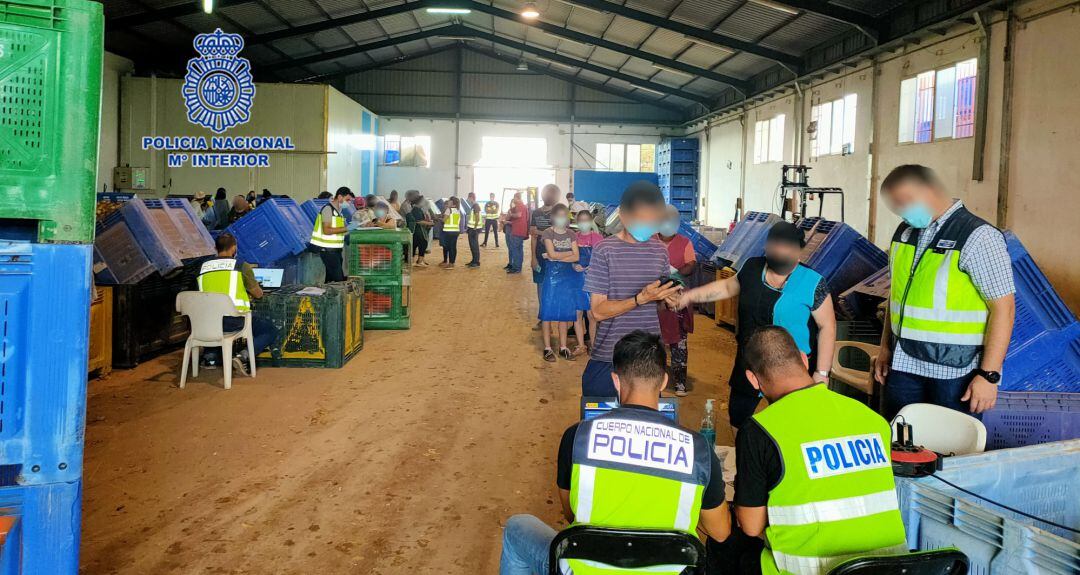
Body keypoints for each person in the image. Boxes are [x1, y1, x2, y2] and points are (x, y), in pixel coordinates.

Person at [499, 331, 731, 575]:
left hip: (586, 569)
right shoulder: (698, 449)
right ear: (663, 381)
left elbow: (573, 514)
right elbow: (720, 532)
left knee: (517, 527)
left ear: (616, 381)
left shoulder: (577, 437)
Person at [728, 326, 907, 575]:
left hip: (807, 570)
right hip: (890, 569)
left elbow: (750, 525)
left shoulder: (759, 430)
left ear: (753, 379)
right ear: (804, 359)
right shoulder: (873, 420)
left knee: (726, 546)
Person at [873, 165, 1015, 419]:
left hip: (954, 373)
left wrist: (989, 376)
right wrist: (885, 348)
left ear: (931, 190)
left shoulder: (978, 236)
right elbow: (896, 297)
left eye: (906, 201)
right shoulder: (904, 233)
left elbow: (1003, 308)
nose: (902, 211)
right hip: (903, 365)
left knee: (950, 452)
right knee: (900, 446)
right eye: (896, 205)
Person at [677, 221, 836, 429]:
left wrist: (821, 374)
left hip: (792, 369)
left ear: (799, 252)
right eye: (776, 245)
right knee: (739, 418)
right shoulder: (752, 268)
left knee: (793, 424)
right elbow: (726, 287)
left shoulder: (813, 282)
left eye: (787, 247)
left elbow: (828, 327)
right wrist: (689, 296)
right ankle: (745, 457)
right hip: (751, 362)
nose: (780, 251)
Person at [582, 181, 680, 397]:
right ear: (623, 216)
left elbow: (658, 307)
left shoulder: (660, 251)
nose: (648, 225)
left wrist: (668, 301)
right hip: (610, 357)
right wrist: (639, 299)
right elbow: (597, 311)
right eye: (641, 219)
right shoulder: (604, 251)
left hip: (647, 360)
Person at [197, 233, 279, 376]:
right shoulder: (241, 266)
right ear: (234, 248)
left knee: (219, 325)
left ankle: (210, 357)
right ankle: (243, 356)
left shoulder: (203, 267)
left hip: (207, 322)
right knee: (269, 329)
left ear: (215, 248)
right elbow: (258, 294)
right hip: (234, 321)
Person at [657, 205, 697, 397]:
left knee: (678, 340)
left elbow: (691, 265)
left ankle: (680, 381)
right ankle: (654, 378)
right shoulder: (649, 241)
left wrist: (677, 272)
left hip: (677, 296)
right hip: (655, 298)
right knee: (654, 341)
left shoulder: (685, 242)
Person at [538, 204, 583, 361]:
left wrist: (557, 255)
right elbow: (551, 253)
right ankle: (547, 348)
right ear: (553, 217)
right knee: (548, 312)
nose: (561, 219)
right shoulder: (547, 233)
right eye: (559, 216)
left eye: (564, 216)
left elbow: (576, 257)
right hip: (551, 277)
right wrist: (567, 253)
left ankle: (563, 347)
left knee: (564, 312)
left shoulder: (571, 233)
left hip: (567, 277)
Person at [572, 209, 603, 352]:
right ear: (577, 222)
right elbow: (569, 257)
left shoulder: (597, 238)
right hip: (577, 280)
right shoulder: (573, 238)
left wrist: (591, 267)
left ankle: (594, 345)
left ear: (591, 222)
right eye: (581, 220)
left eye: (586, 220)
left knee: (592, 315)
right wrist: (573, 264)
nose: (583, 223)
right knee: (577, 314)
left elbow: (603, 260)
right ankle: (581, 345)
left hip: (593, 281)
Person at [310, 187, 353, 282]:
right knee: (339, 280)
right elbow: (327, 230)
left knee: (330, 280)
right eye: (347, 200)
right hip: (328, 251)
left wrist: (352, 230)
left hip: (336, 250)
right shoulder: (328, 209)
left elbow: (338, 231)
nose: (349, 203)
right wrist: (347, 228)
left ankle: (327, 295)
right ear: (340, 197)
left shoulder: (339, 212)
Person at [530, 185, 559, 313]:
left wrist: (539, 232)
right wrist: (533, 258)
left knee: (554, 287)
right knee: (540, 286)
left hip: (556, 257)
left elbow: (559, 234)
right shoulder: (536, 213)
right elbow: (532, 235)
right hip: (539, 256)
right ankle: (543, 316)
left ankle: (553, 315)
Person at [504, 193, 529, 274]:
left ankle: (516, 267)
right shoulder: (524, 206)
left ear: (516, 198)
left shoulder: (520, 206)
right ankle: (518, 267)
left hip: (517, 231)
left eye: (514, 198)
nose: (513, 200)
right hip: (520, 231)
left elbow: (518, 215)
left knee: (515, 249)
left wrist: (511, 214)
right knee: (519, 249)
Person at [407, 192, 433, 266]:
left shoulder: (416, 209)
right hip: (419, 231)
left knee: (415, 245)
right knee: (422, 244)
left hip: (416, 231)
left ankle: (415, 261)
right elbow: (419, 221)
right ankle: (419, 262)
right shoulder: (416, 209)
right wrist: (429, 223)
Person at [440, 196, 463, 268]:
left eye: (449, 201)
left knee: (448, 247)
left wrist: (439, 218)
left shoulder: (449, 210)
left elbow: (444, 220)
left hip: (448, 231)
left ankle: (450, 263)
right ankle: (452, 262)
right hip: (455, 231)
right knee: (453, 247)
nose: (448, 202)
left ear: (452, 203)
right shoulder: (458, 210)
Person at [465, 199, 485, 268]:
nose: (468, 199)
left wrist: (475, 227)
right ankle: (474, 261)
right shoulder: (474, 206)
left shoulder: (475, 206)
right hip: (472, 228)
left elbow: (477, 218)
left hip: (474, 229)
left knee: (474, 246)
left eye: (469, 198)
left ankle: (476, 262)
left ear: (471, 198)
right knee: (472, 246)